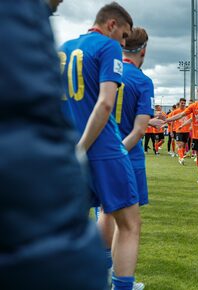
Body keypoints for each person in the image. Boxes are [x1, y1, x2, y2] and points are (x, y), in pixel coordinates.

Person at [0, 1, 108, 289]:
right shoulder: (20, 14)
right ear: (113, 27)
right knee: (118, 214)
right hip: (48, 180)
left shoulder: (67, 45)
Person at [59, 3, 142, 289]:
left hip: (68, 151)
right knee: (129, 224)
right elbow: (106, 102)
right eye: (123, 35)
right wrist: (83, 146)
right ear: (111, 25)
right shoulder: (107, 47)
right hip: (103, 149)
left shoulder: (63, 47)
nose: (123, 43)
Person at [114, 27, 161, 289]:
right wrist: (117, 154)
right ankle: (121, 284)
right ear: (143, 49)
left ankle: (105, 274)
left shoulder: (104, 70)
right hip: (126, 156)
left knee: (105, 215)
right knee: (128, 225)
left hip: (98, 154)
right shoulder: (142, 80)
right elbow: (139, 129)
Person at [172, 98, 191, 165]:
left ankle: (180, 157)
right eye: (182, 103)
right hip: (178, 131)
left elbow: (191, 119)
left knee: (184, 145)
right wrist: (171, 131)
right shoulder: (176, 111)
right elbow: (172, 121)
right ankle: (181, 157)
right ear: (179, 103)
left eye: (184, 103)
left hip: (186, 131)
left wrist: (191, 126)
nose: (183, 104)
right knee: (180, 145)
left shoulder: (187, 111)